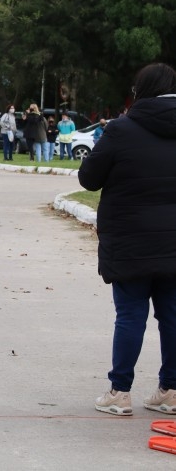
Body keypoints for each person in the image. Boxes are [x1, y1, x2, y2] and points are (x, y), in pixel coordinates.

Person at [79, 62, 176, 417]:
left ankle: (120, 392)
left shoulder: (122, 129)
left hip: (131, 240)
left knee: (131, 314)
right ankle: (171, 391)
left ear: (139, 92)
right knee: (173, 314)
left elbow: (89, 179)